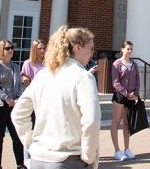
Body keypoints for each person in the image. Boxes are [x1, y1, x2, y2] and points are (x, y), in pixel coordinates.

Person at [11, 26, 100, 168]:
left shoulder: (42, 75)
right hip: (68, 159)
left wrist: (31, 143)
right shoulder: (83, 77)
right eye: (91, 48)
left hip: (39, 159)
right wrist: (89, 156)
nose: (91, 54)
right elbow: (91, 120)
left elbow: (18, 114)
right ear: (77, 48)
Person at [0, 39, 25, 169]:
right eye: (7, 48)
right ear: (1, 50)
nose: (10, 50)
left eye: (12, 48)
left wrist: (18, 98)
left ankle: (20, 164)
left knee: (16, 135)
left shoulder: (15, 66)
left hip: (13, 105)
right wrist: (6, 98)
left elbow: (19, 84)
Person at [111, 40, 140, 161]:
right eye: (127, 49)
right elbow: (115, 82)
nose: (129, 51)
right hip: (120, 96)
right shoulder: (117, 64)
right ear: (122, 49)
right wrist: (126, 93)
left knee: (127, 124)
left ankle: (127, 148)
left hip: (131, 97)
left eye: (131, 49)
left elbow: (137, 80)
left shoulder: (134, 64)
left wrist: (135, 93)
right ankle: (117, 150)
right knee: (116, 123)